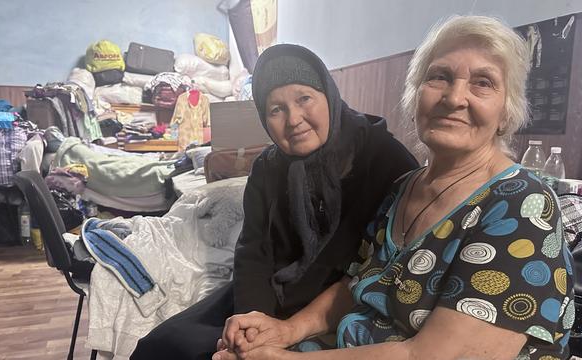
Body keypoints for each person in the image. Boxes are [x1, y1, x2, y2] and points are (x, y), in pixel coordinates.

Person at [215, 15, 574, 360]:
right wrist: (286, 332)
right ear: (416, 95)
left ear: (507, 112)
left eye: (482, 83)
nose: (453, 98)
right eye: (439, 77)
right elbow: (356, 283)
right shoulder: (403, 189)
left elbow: (434, 355)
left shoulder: (521, 207)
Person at [131, 44, 418, 359]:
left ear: (329, 96)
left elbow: (385, 265)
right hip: (267, 296)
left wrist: (282, 332)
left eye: (304, 98)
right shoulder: (268, 168)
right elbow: (254, 252)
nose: (294, 119)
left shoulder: (385, 160)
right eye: (276, 109)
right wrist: (253, 320)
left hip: (340, 306)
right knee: (163, 347)